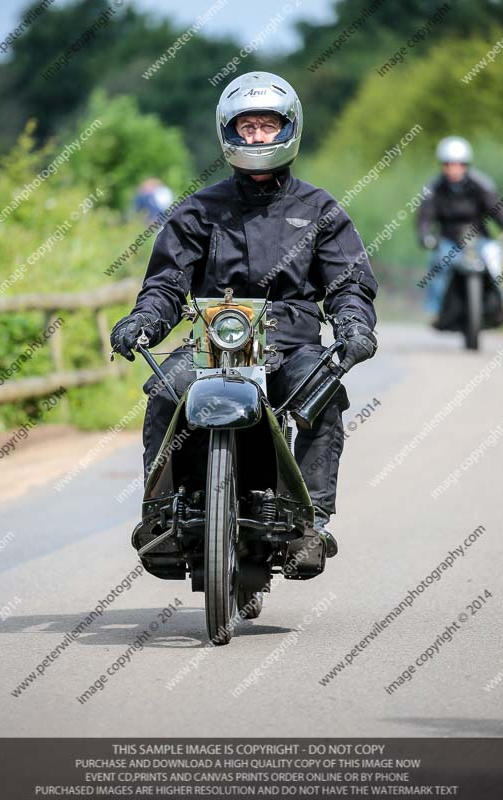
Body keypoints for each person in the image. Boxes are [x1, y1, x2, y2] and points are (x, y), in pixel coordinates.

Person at [110, 71, 378, 558]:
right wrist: (143, 320)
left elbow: (349, 284)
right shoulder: (197, 210)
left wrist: (354, 323)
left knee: (325, 395)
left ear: (288, 128)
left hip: (292, 345)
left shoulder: (321, 209)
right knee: (166, 391)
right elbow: (167, 283)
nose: (257, 136)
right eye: (247, 126)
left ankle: (311, 521)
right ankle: (163, 512)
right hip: (212, 349)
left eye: (267, 126)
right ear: (229, 132)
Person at [417, 136, 503, 320]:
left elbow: (496, 210)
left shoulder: (481, 184)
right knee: (440, 261)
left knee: (494, 257)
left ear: (466, 165)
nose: (454, 168)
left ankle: (499, 305)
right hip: (448, 240)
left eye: (459, 164)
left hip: (480, 240)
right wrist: (425, 235)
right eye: (449, 164)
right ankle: (436, 310)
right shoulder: (434, 188)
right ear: (443, 166)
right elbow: (425, 217)